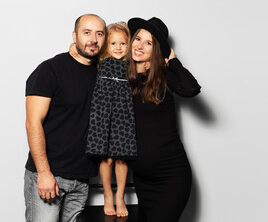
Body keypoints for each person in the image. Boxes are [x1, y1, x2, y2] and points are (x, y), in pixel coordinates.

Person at [24, 14, 106, 222]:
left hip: (82, 179)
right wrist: (43, 173)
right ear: (74, 36)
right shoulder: (50, 70)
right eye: (87, 32)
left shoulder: (103, 74)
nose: (93, 39)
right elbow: (33, 123)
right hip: (50, 176)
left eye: (99, 33)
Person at [126, 17, 201, 221]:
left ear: (156, 50)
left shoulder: (164, 77)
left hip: (171, 179)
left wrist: (173, 60)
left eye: (148, 43)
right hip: (142, 180)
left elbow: (191, 89)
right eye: (138, 38)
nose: (139, 45)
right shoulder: (123, 77)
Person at [85, 22, 137, 217]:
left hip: (123, 116)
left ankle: (120, 197)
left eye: (123, 43)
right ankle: (108, 195)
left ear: (129, 45)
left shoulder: (132, 65)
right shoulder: (99, 61)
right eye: (113, 43)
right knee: (106, 159)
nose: (118, 47)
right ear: (106, 45)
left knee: (121, 159)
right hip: (102, 115)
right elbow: (83, 51)